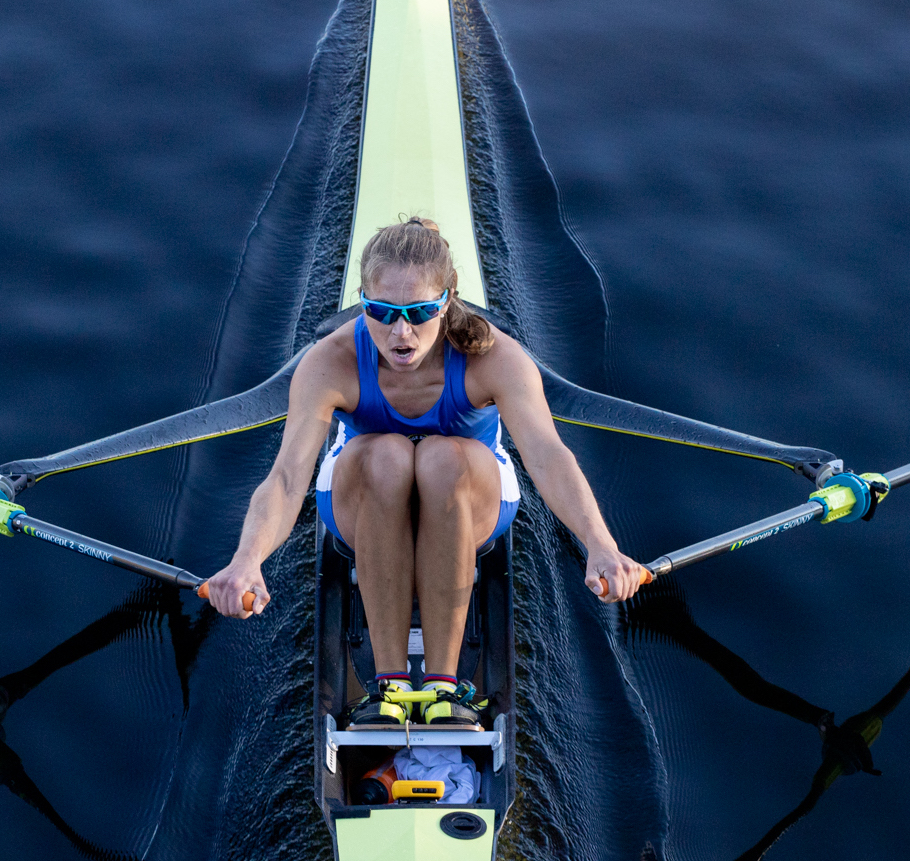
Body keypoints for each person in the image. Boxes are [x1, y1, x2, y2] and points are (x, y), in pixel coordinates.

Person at [202, 217, 648, 728]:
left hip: (468, 489)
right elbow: (285, 478)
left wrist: (600, 543)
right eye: (382, 312)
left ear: (448, 299)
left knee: (440, 458)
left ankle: (444, 688)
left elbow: (548, 455)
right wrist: (247, 559)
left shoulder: (494, 356)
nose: (400, 332)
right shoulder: (330, 362)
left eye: (418, 312)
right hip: (363, 487)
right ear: (362, 300)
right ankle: (387, 688)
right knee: (387, 454)